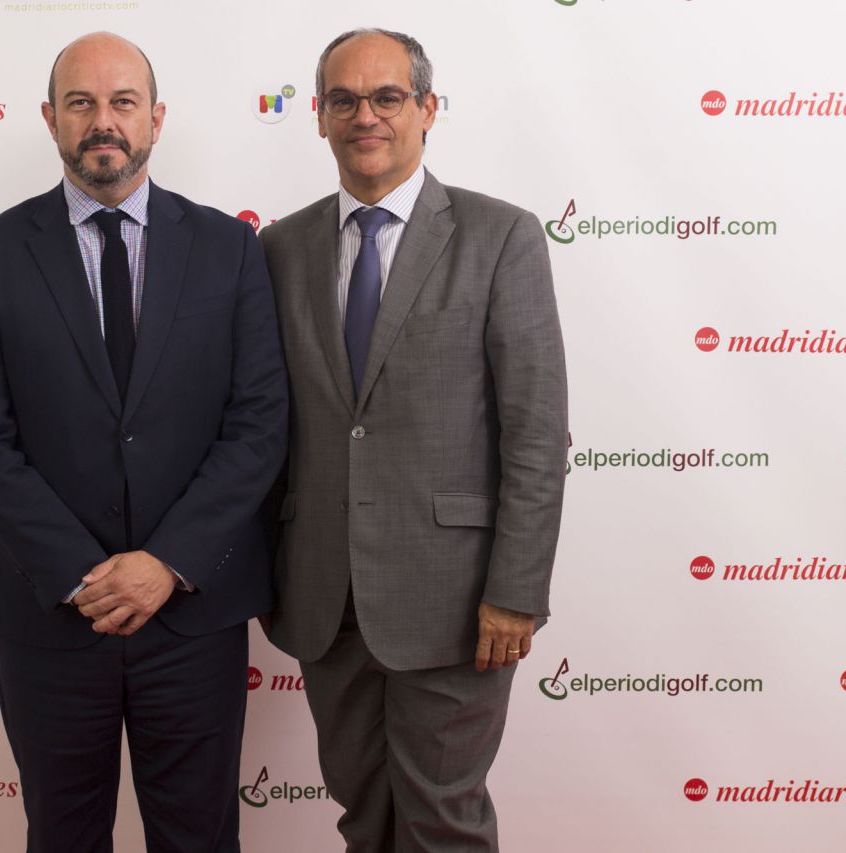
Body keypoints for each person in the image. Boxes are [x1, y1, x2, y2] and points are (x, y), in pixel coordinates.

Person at [0, 32, 287, 853]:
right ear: (51, 120)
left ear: (156, 119)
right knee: (63, 837)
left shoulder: (230, 248)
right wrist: (83, 576)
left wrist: (166, 563)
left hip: (192, 614)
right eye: (82, 103)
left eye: (123, 102)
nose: (104, 122)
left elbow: (259, 423)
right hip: (50, 614)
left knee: (199, 839)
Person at [259, 28, 567, 852]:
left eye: (387, 96)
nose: (366, 115)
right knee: (365, 816)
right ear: (318, 118)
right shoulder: (280, 248)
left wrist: (517, 589)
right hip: (327, 597)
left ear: (427, 109)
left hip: (457, 602)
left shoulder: (501, 236)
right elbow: (269, 425)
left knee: (443, 821)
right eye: (344, 99)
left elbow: (536, 431)